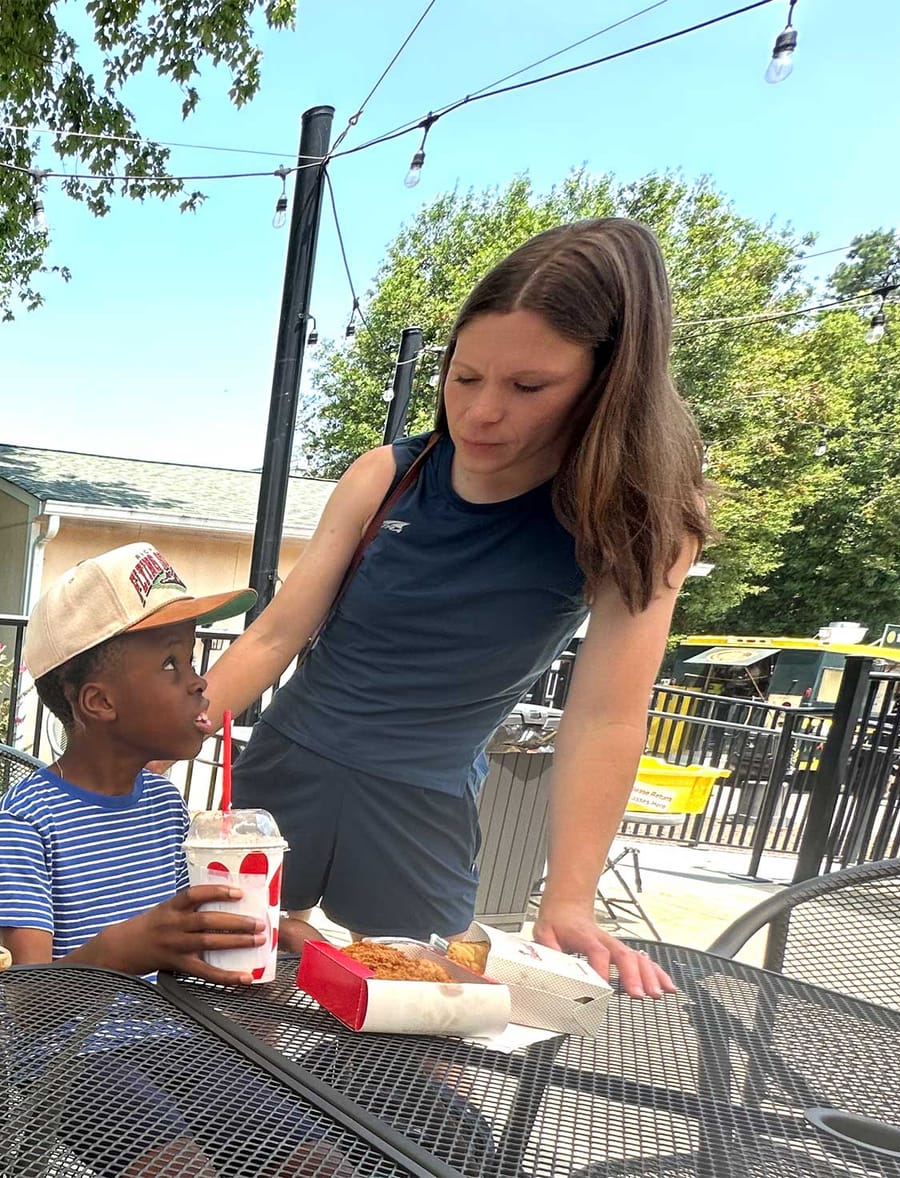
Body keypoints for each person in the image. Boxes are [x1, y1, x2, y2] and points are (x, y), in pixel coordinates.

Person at [207, 218, 705, 998]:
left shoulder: (638, 522)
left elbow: (607, 717)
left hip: (424, 798)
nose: (480, 412)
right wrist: (148, 748)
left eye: (528, 387)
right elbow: (275, 634)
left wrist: (569, 898)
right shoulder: (386, 475)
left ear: (606, 385)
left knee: (429, 1018)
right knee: (242, 977)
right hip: (289, 759)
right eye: (464, 377)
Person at [0, 543, 344, 1178]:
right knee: (179, 1167)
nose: (201, 680)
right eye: (173, 664)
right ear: (99, 703)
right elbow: (24, 1004)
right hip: (73, 1059)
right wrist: (124, 949)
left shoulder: (164, 804)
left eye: (195, 657)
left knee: (315, 1158)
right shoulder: (27, 819)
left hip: (178, 1032)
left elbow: (185, 937)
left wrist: (267, 932)